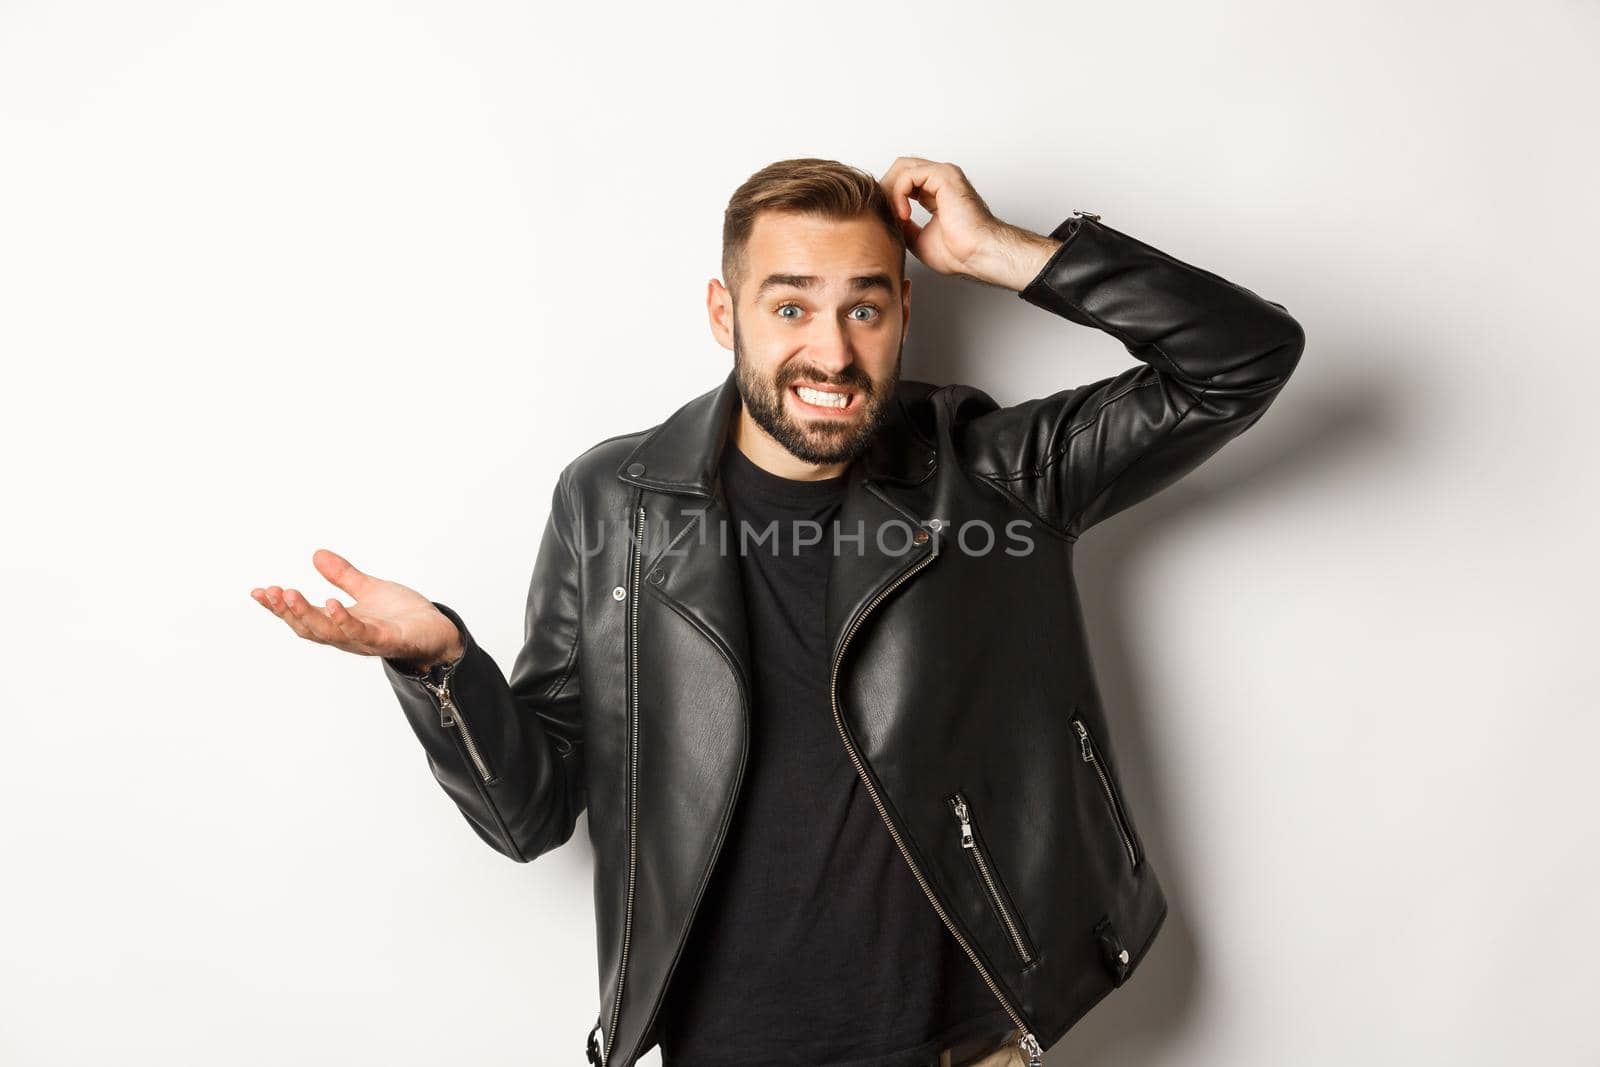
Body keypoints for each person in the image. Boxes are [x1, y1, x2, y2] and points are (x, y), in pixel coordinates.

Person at [251, 156, 1305, 1067]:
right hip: (720, 1043)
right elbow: (531, 817)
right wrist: (444, 667)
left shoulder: (992, 473)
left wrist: (995, 249)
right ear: (726, 313)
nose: (833, 353)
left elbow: (1237, 359)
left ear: (904, 308)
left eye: (865, 305)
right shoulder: (611, 503)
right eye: (791, 304)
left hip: (963, 1037)